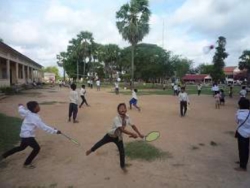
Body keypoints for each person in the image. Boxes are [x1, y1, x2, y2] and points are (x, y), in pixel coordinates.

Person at [0, 102, 61, 169]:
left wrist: (20, 106)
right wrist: (55, 131)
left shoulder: (28, 112)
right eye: (38, 106)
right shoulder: (35, 118)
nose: (39, 107)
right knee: (37, 148)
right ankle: (27, 163)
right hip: (27, 136)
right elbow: (44, 127)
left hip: (23, 135)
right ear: (34, 109)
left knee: (21, 147)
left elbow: (21, 111)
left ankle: (3, 156)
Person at [86, 103, 144, 172]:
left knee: (122, 151)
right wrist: (132, 134)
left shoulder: (127, 117)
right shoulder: (116, 118)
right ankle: (91, 150)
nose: (123, 109)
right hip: (110, 135)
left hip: (118, 137)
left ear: (126, 109)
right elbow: (121, 129)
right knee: (100, 143)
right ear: (118, 110)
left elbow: (133, 125)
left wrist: (139, 134)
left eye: (124, 107)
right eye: (121, 108)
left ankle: (122, 166)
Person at [235, 98, 250, 171]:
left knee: (241, 149)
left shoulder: (239, 113)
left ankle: (243, 166)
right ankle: (243, 162)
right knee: (246, 149)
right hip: (248, 133)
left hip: (241, 132)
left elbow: (237, 121)